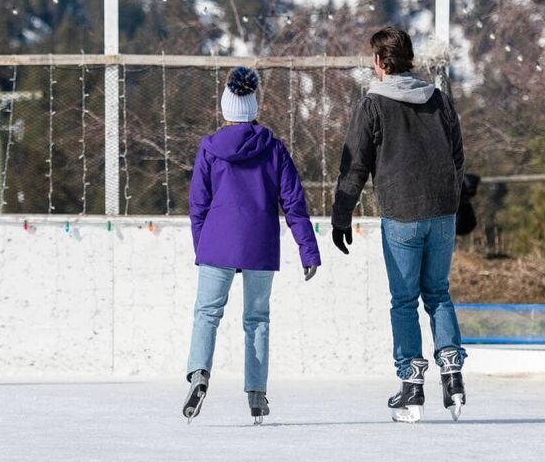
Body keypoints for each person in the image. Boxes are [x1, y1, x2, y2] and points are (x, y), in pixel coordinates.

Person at [330, 26, 467, 423]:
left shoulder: (373, 103)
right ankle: (453, 376)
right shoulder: (437, 98)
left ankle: (411, 387)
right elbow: (457, 156)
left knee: (405, 301)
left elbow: (355, 163)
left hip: (403, 214)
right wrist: (450, 199)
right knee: (438, 293)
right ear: (409, 59)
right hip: (442, 211)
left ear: (379, 61)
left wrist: (342, 216)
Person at [182, 67, 321, 425]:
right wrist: (308, 249)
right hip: (260, 242)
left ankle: (199, 375)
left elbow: (198, 204)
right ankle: (256, 394)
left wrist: (205, 247)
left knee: (207, 314)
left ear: (227, 110)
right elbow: (293, 201)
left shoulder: (209, 148)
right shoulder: (272, 147)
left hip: (217, 242)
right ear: (253, 108)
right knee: (256, 320)